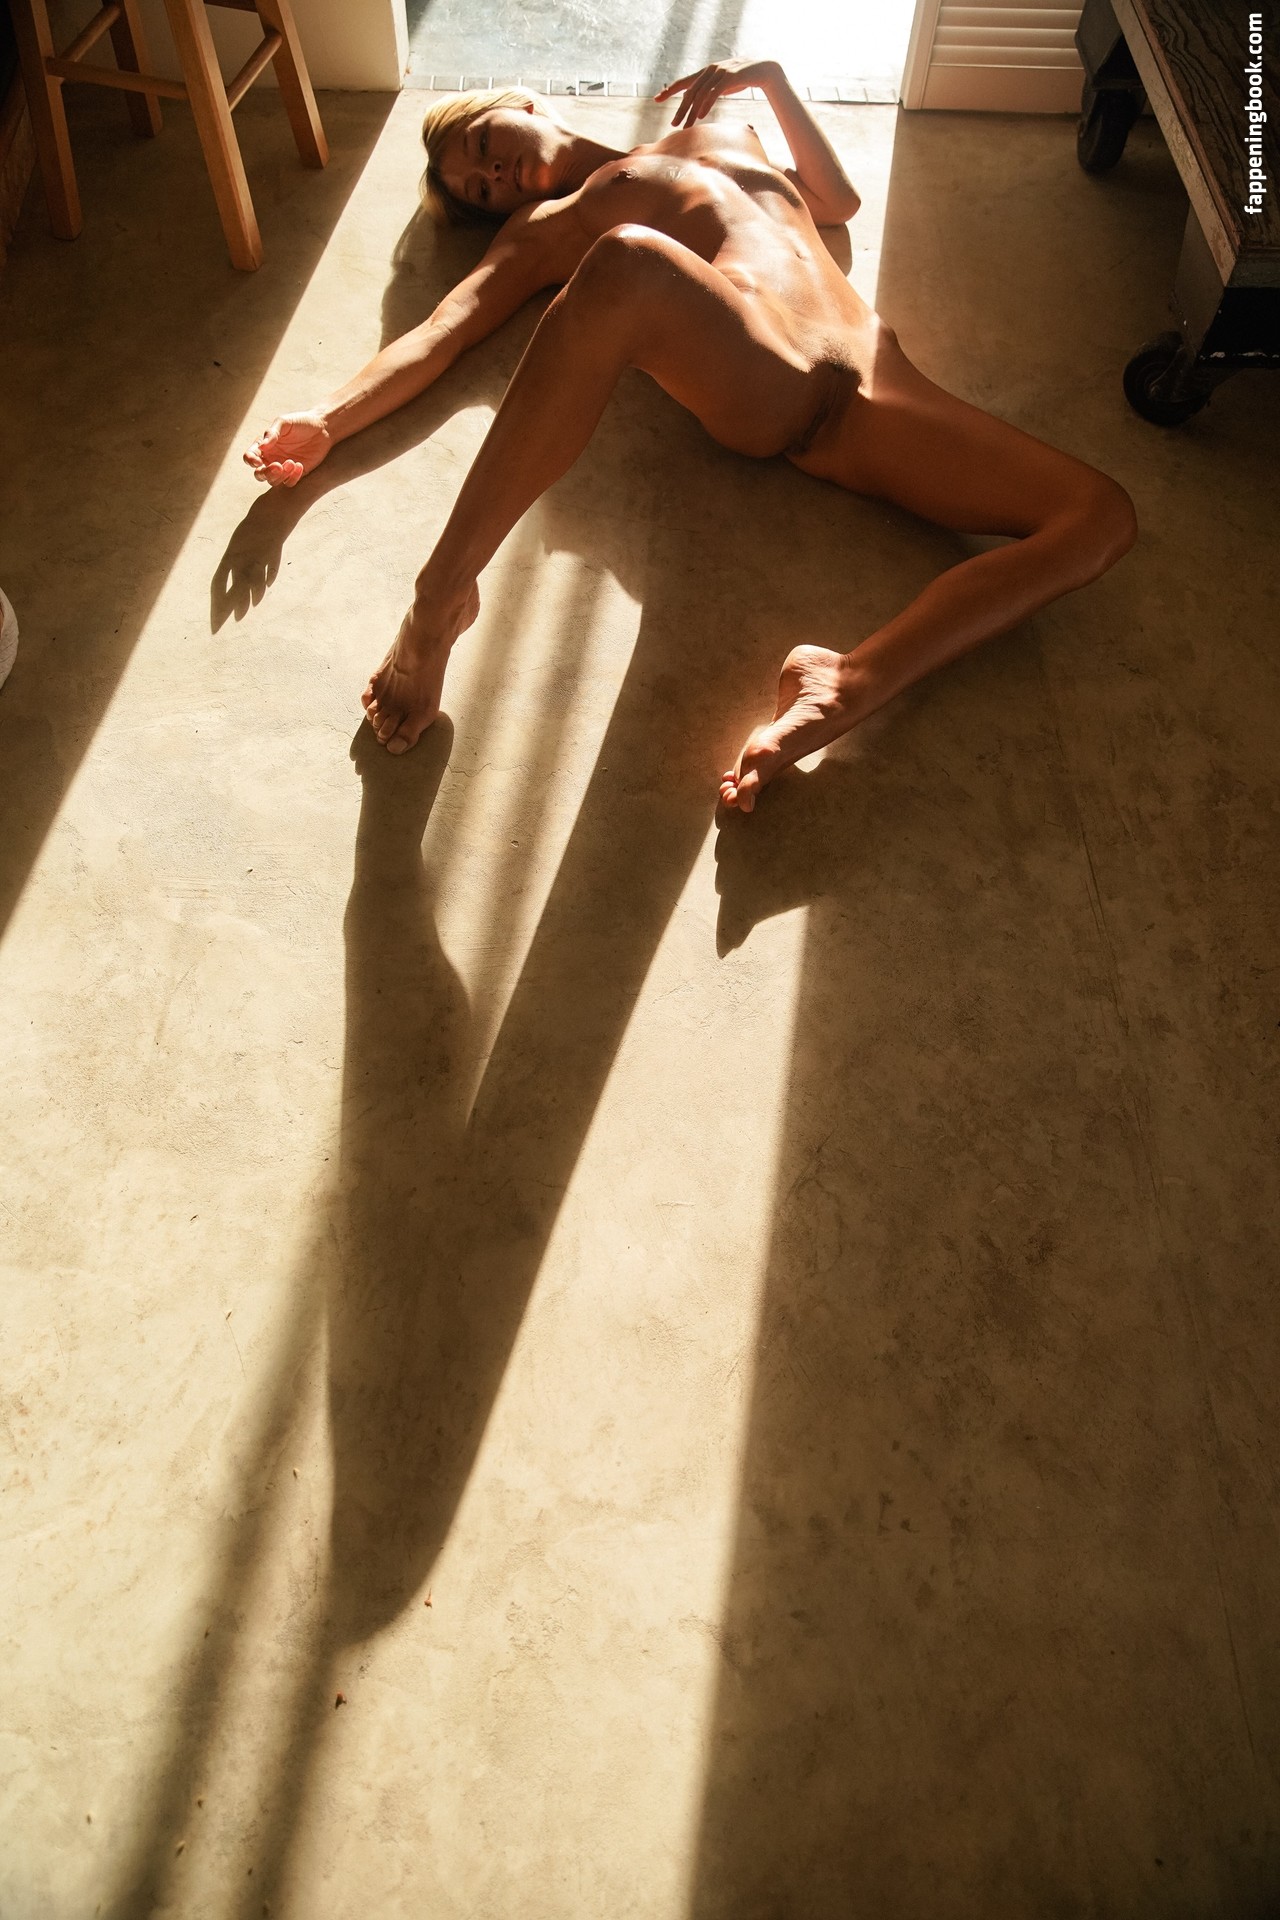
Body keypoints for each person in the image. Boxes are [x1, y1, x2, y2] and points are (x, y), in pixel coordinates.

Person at [244, 61, 1136, 810]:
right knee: (627, 261)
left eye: (483, 145)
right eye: (481, 190)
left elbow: (838, 201)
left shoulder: (727, 134)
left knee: (1098, 516)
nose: (496, 175)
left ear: (522, 104)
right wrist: (328, 419)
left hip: (875, 387)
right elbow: (446, 329)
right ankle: (439, 596)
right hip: (759, 369)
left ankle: (846, 682)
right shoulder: (555, 225)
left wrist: (771, 80)